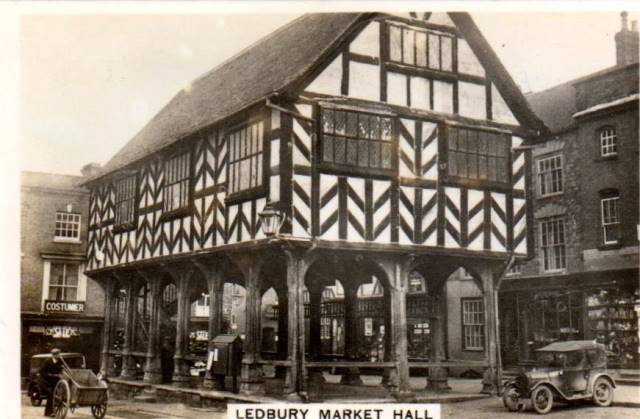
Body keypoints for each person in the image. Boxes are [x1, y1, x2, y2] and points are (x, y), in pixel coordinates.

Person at [40, 348, 64, 417]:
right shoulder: (47, 361)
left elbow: (62, 369)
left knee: (56, 395)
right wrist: (51, 375)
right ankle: (48, 412)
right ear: (54, 355)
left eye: (59, 354)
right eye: (57, 354)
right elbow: (42, 371)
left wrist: (60, 374)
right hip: (46, 382)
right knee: (51, 395)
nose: (59, 355)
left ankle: (52, 411)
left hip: (55, 381)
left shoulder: (60, 361)